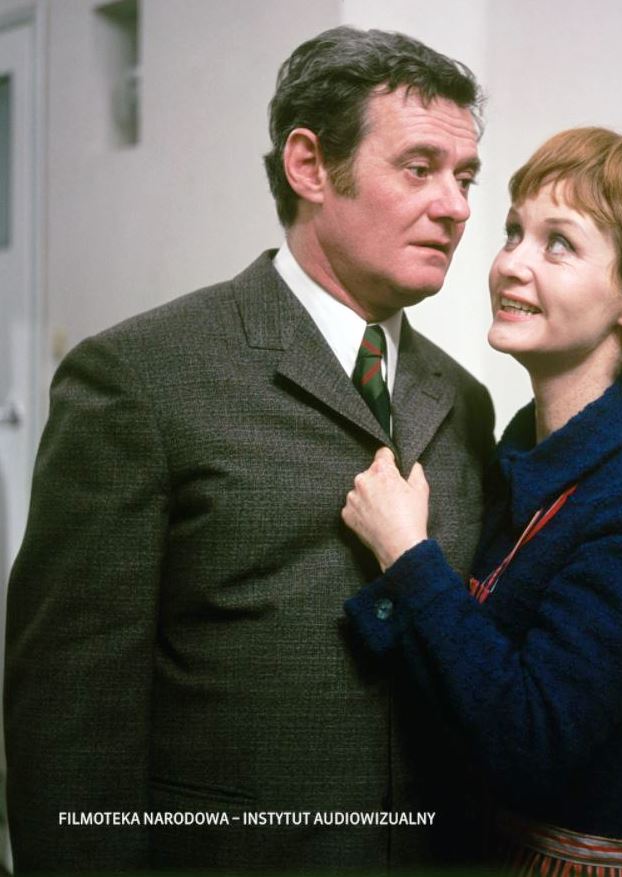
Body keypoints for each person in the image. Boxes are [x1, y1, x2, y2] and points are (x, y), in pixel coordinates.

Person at [4, 27, 495, 873]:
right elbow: (69, 717)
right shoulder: (140, 378)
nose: (454, 206)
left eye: (465, 177)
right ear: (309, 165)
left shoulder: (464, 400)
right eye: (419, 168)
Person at [342, 127, 622, 874]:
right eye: (513, 231)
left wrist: (405, 553)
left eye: (558, 244)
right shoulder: (522, 447)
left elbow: (526, 744)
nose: (509, 264)